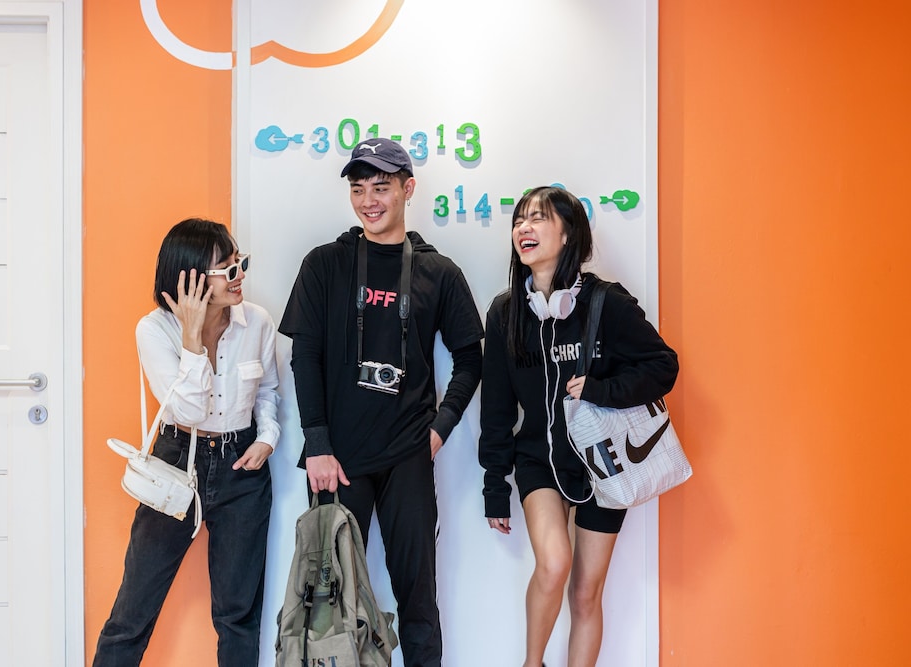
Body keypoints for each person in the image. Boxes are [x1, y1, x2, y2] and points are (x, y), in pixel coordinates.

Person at [278, 138, 484, 666]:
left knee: (419, 600)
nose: (368, 200)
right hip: (337, 460)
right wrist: (317, 443)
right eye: (358, 188)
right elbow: (305, 356)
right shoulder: (325, 264)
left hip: (408, 457)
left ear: (408, 189)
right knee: (329, 605)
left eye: (381, 187)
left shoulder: (439, 272)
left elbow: (471, 358)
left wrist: (439, 429)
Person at [478, 186, 678, 667]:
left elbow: (663, 366)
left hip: (606, 463)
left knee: (587, 591)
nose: (524, 228)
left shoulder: (606, 303)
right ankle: (533, 663)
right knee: (554, 564)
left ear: (568, 234)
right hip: (539, 461)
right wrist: (494, 486)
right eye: (519, 219)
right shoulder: (505, 313)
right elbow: (497, 408)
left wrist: (601, 390)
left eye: (538, 218)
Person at [93, 218, 281, 667]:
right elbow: (189, 412)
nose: (239, 277)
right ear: (191, 280)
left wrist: (268, 438)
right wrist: (192, 336)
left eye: (241, 264)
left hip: (242, 466)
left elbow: (269, 391)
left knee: (238, 615)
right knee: (133, 611)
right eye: (228, 270)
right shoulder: (154, 329)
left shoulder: (257, 321)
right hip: (177, 459)